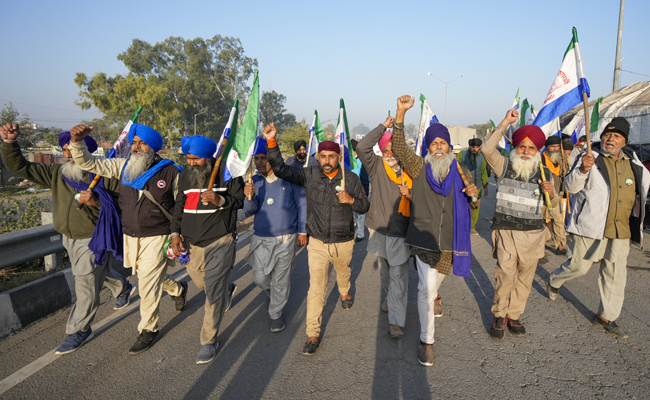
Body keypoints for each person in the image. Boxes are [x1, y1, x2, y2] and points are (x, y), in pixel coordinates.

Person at [0, 124, 132, 355]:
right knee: (91, 274)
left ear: (86, 153)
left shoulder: (105, 175)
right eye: (65, 150)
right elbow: (21, 167)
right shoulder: (56, 173)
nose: (68, 154)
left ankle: (79, 329)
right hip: (68, 236)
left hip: (94, 237)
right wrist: (10, 143)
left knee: (85, 279)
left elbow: (123, 207)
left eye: (73, 149)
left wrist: (96, 202)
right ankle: (122, 287)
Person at [68, 123, 187, 355]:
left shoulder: (172, 172)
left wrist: (176, 234)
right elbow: (88, 163)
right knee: (144, 276)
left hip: (157, 235)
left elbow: (180, 207)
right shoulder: (122, 166)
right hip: (130, 235)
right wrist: (76, 143)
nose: (136, 147)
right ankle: (177, 289)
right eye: (134, 143)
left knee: (147, 285)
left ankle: (148, 329)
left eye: (142, 143)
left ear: (153, 147)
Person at [262, 123, 370, 355]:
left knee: (343, 272)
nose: (327, 160)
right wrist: (272, 142)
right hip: (318, 242)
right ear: (318, 157)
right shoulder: (308, 175)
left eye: (331, 156)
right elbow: (280, 169)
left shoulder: (350, 179)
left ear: (338, 157)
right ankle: (313, 332)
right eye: (323, 156)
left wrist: (351, 200)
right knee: (316, 289)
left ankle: (344, 290)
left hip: (343, 240)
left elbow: (364, 206)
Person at [391, 95, 478, 367]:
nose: (438, 147)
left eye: (442, 143)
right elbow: (399, 149)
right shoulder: (419, 167)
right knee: (425, 289)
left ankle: (436, 297)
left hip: (452, 242)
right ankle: (427, 341)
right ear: (428, 148)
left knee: (434, 286)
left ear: (449, 147)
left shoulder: (461, 170)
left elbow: (472, 203)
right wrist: (401, 113)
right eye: (433, 143)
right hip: (424, 240)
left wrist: (475, 197)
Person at [548, 117, 650, 339]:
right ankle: (555, 280)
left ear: (624, 141)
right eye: (607, 134)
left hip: (620, 229)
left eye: (616, 136)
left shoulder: (633, 163)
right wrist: (583, 169)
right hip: (589, 226)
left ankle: (606, 317)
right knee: (579, 267)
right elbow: (570, 187)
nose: (610, 139)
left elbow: (642, 188)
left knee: (615, 275)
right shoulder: (589, 158)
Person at [168, 135, 244, 364]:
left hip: (220, 239)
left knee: (211, 292)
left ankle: (208, 341)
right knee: (200, 282)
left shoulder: (229, 172)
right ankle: (226, 289)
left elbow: (239, 201)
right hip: (192, 242)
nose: (191, 163)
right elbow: (179, 206)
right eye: (188, 158)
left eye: (196, 159)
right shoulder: (185, 175)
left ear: (209, 158)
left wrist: (220, 200)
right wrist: (174, 234)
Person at [482, 110, 557, 341]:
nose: (526, 152)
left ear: (538, 151)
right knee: (505, 276)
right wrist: (505, 122)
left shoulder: (544, 175)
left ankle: (514, 315)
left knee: (524, 279)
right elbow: (486, 149)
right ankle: (499, 314)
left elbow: (552, 206)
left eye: (531, 148)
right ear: (516, 148)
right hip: (506, 232)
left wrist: (552, 193)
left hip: (533, 235)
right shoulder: (503, 166)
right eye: (522, 147)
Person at [243, 137, 307, 334]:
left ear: (272, 158)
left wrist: (302, 230)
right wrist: (249, 196)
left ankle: (276, 314)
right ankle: (273, 295)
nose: (260, 162)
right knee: (260, 279)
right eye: (257, 158)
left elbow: (302, 204)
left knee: (280, 279)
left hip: (286, 238)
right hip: (262, 238)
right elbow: (248, 211)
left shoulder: (289, 178)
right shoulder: (253, 181)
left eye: (264, 158)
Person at [357, 116, 412, 339]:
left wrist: (411, 194)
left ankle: (396, 322)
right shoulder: (377, 166)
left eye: (393, 150)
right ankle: (391, 298)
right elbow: (361, 146)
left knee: (399, 273)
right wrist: (383, 128)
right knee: (386, 271)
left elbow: (422, 197)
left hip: (402, 231)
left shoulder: (411, 170)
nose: (389, 154)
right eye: (385, 150)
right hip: (379, 228)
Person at [457, 138, 489, 235]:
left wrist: (485, 186)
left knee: (475, 207)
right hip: (463, 187)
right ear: (469, 146)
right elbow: (455, 168)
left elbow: (483, 172)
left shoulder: (482, 158)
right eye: (473, 147)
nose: (475, 149)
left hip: (477, 186)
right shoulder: (461, 155)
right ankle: (460, 226)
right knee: (461, 207)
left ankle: (472, 227)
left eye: (477, 147)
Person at [541, 136, 568, 252]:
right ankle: (538, 244)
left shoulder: (563, 160)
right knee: (540, 222)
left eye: (557, 146)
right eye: (552, 147)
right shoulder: (541, 159)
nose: (555, 149)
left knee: (558, 221)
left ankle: (560, 245)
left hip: (556, 196)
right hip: (542, 197)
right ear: (547, 147)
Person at [350, 139, 371, 242]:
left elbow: (366, 179)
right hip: (351, 192)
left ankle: (360, 234)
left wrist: (365, 193)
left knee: (360, 215)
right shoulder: (350, 162)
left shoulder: (362, 162)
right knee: (352, 213)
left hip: (360, 191)